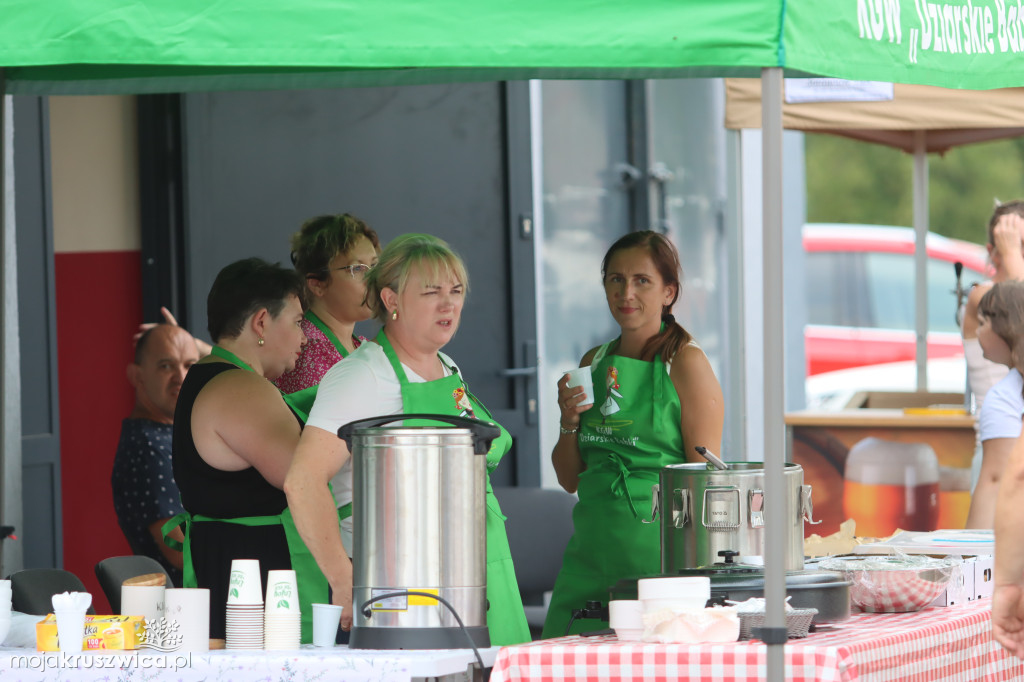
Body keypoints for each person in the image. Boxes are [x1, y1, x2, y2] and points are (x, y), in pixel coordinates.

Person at [285, 233, 530, 644]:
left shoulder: (448, 366)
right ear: (392, 300)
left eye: (456, 291)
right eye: (431, 292)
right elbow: (303, 481)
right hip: (404, 583)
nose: (448, 303)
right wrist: (344, 580)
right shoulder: (362, 375)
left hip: (480, 566)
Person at [541, 230, 724, 638]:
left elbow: (705, 480)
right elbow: (569, 478)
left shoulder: (686, 363)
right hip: (589, 552)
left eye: (642, 280)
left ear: (668, 292)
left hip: (657, 560)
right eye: (616, 279)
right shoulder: (594, 360)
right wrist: (568, 422)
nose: (627, 292)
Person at [165, 258, 325, 643]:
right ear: (261, 322)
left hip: (235, 570)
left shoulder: (218, 378)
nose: (305, 338)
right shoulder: (240, 388)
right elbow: (303, 476)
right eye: (299, 322)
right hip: (251, 586)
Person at [111, 323, 199, 586]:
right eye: (166, 366)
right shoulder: (149, 446)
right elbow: (181, 552)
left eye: (189, 365)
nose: (181, 377)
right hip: (181, 615)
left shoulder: (169, 433)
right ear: (137, 376)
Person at [274, 214, 381, 419]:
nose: (374, 279)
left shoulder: (362, 346)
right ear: (317, 284)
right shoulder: (305, 349)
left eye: (374, 266)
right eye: (357, 268)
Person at [963, 203, 1024, 486]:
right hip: (996, 456)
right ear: (993, 251)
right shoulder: (981, 297)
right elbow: (1016, 303)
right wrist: (1011, 252)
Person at [964, 281, 1024, 528]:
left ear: (1005, 328)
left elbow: (994, 480)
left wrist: (970, 555)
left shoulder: (1004, 397)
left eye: (983, 323)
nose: (977, 332)